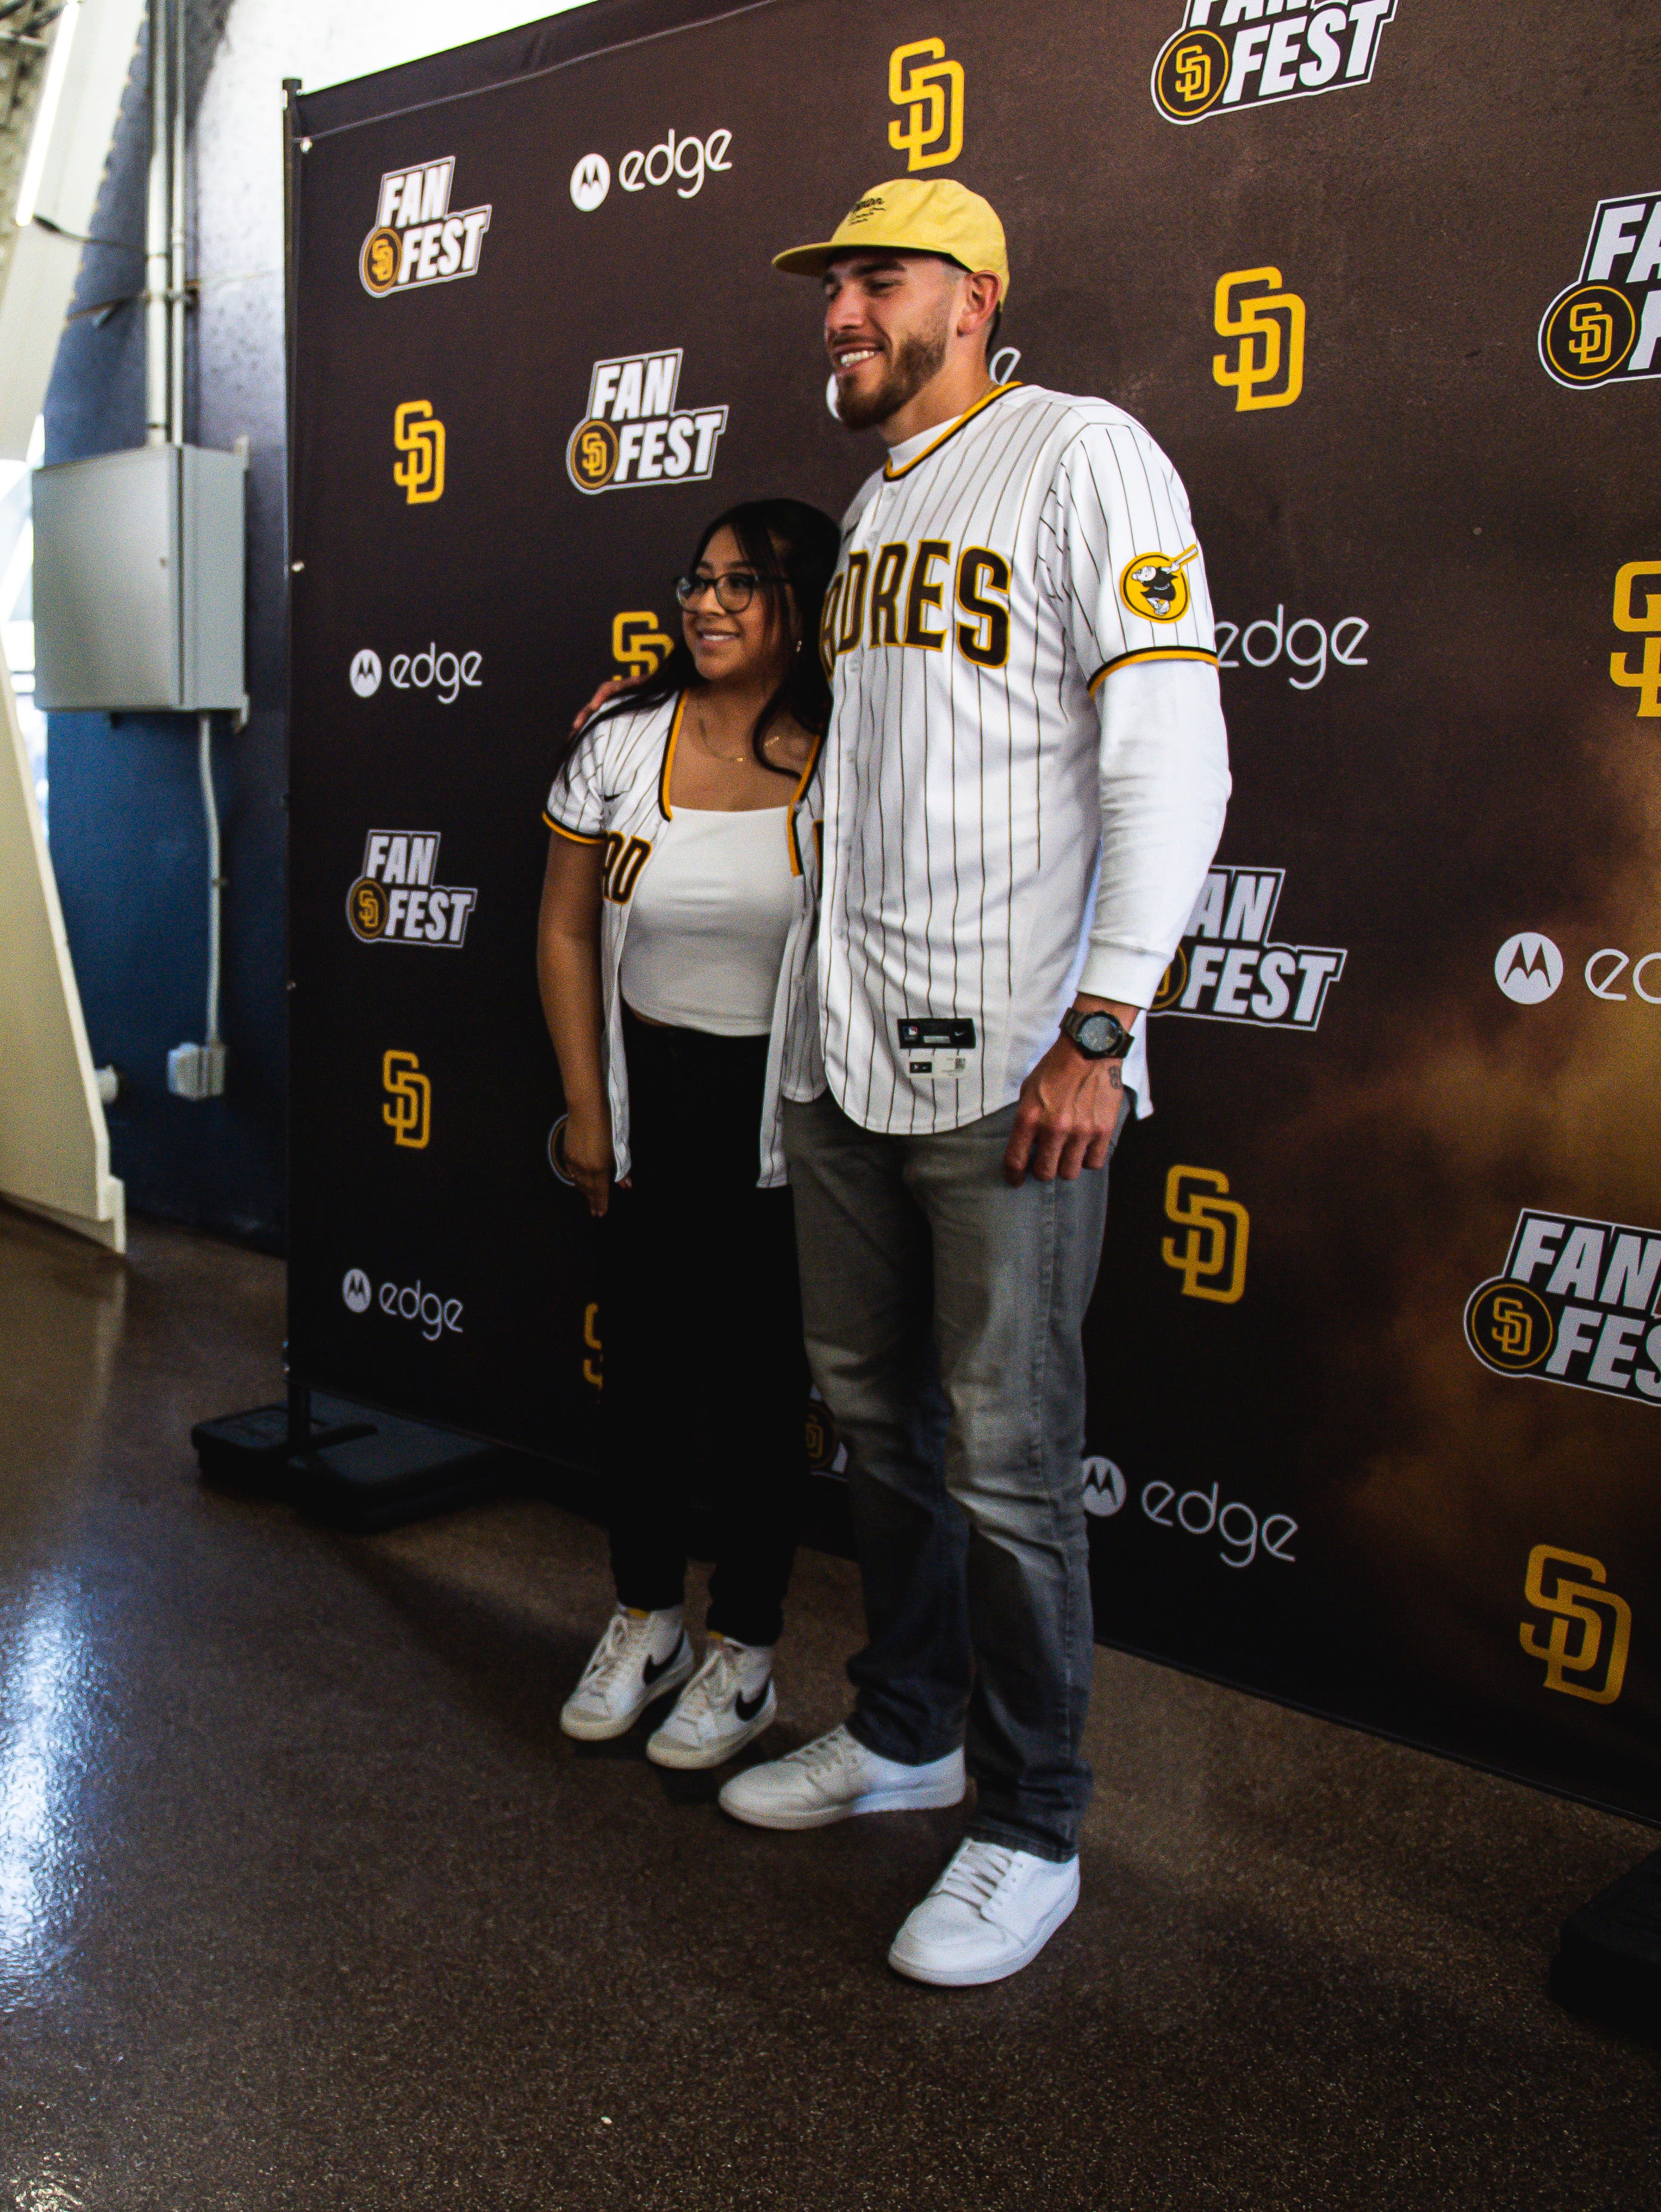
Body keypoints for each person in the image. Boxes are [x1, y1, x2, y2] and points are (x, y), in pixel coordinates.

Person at [716, 181, 1231, 1986]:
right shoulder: (868, 509)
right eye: (830, 282)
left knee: (1010, 1464)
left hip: (1013, 1060)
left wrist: (1102, 1027)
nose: (839, 309)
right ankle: (907, 1726)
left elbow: (1170, 754)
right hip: (845, 1048)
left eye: (874, 279)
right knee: (874, 1424)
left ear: (974, 292)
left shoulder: (1085, 455)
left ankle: (1027, 1820)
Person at [539, 499, 837, 1769]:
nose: (707, 603)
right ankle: (645, 1614)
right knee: (647, 1379)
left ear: (808, 607)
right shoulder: (620, 740)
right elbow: (561, 930)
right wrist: (592, 1112)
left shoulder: (853, 748)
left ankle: (748, 1653)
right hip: (646, 1108)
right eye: (699, 579)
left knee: (767, 1396)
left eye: (746, 585)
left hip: (791, 1131)